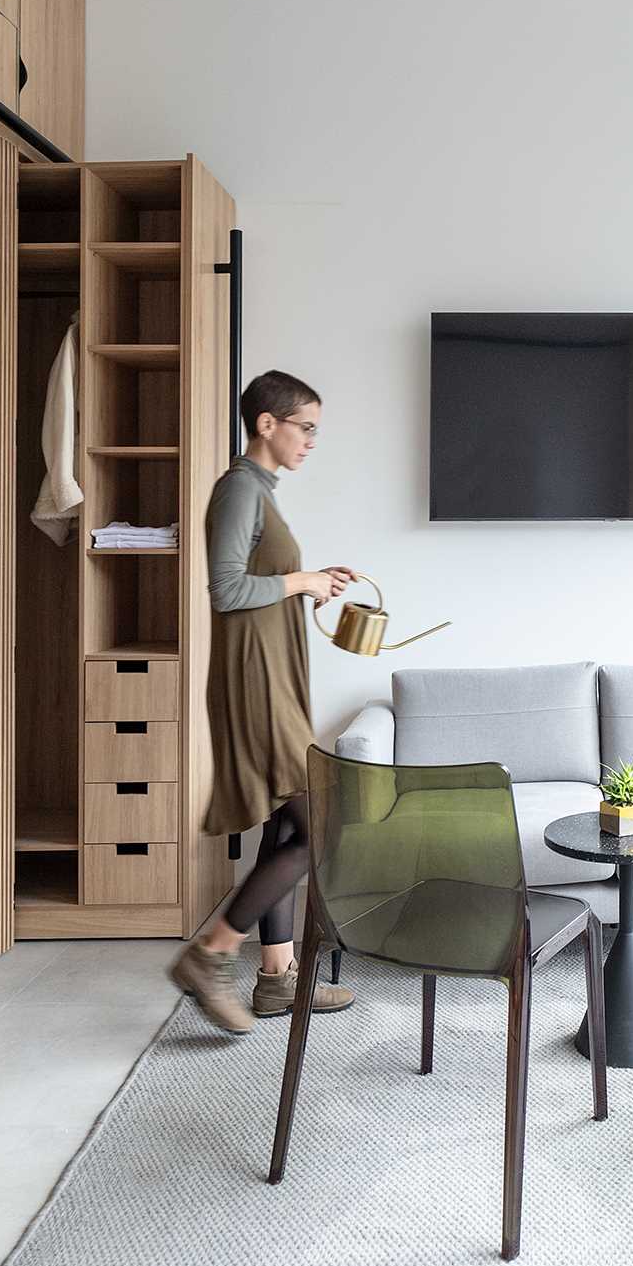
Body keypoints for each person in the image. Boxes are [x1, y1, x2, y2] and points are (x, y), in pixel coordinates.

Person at [173, 370, 357, 1034]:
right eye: (304, 427)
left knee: (284, 826)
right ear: (267, 424)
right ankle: (210, 953)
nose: (311, 440)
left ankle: (277, 979)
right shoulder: (238, 489)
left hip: (272, 677)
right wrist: (300, 578)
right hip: (255, 682)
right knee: (319, 826)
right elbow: (225, 592)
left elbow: (257, 583)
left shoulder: (258, 493)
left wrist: (309, 582)